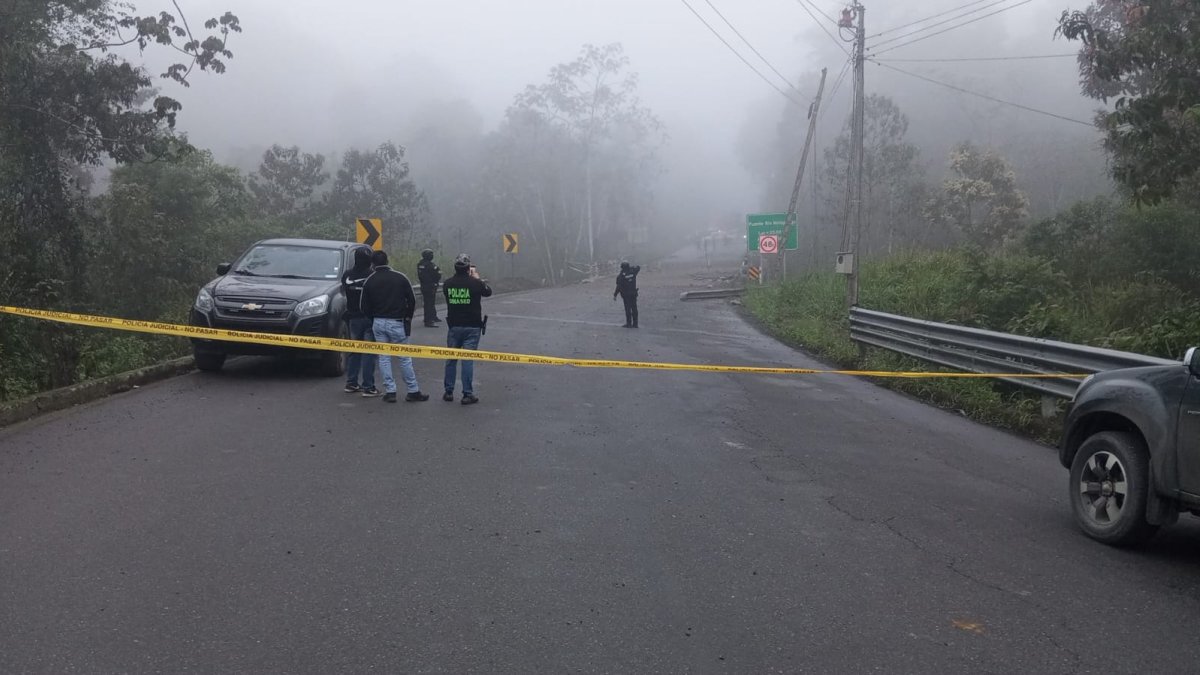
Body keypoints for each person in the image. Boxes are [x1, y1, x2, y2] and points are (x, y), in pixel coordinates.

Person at [360, 250, 429, 404]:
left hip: (378, 322)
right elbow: (412, 300)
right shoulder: (400, 277)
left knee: (384, 358)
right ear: (387, 261)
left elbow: (363, 306)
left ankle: (390, 392)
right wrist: (408, 317)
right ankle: (413, 391)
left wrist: (373, 319)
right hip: (397, 322)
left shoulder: (369, 281)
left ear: (373, 264)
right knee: (404, 358)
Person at [442, 253, 492, 405]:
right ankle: (467, 393)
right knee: (467, 360)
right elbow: (488, 292)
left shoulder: (447, 284)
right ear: (469, 267)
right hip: (472, 327)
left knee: (451, 359)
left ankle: (448, 391)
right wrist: (477, 277)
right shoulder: (475, 283)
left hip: (454, 326)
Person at [341, 246, 379, 397]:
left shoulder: (347, 275)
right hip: (370, 317)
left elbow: (345, 290)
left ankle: (351, 383)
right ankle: (368, 386)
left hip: (353, 317)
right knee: (369, 353)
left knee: (354, 351)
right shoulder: (372, 275)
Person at [416, 248, 442, 328]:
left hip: (424, 286)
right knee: (429, 303)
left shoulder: (420, 264)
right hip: (430, 286)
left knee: (429, 302)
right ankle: (428, 321)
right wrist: (435, 282)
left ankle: (433, 317)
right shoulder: (430, 265)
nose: (432, 256)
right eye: (431, 254)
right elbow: (438, 273)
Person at [613, 261, 640, 328]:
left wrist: (615, 295)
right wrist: (631, 268)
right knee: (634, 308)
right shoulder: (633, 272)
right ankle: (635, 324)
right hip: (633, 293)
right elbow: (638, 267)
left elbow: (618, 286)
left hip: (626, 295)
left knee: (628, 309)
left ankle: (629, 323)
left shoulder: (621, 275)